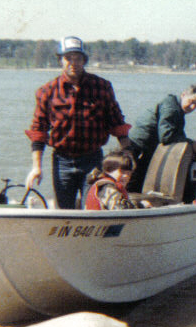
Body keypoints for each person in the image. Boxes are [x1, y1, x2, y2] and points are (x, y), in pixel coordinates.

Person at [25, 36, 131, 209]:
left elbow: (117, 123)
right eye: (68, 58)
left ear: (84, 60)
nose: (73, 63)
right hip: (62, 162)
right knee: (64, 211)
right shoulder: (47, 91)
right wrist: (36, 167)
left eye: (78, 58)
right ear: (60, 60)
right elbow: (39, 131)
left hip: (93, 160)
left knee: (94, 207)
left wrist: (128, 154)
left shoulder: (102, 87)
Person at [123, 85, 196, 192]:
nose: (192, 107)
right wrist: (191, 143)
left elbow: (177, 134)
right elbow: (166, 136)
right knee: (131, 178)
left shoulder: (177, 108)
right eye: (191, 101)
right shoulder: (171, 108)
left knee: (138, 178)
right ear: (183, 95)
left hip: (148, 146)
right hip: (138, 145)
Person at [85, 149, 150, 210]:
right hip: (102, 218)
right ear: (108, 170)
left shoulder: (110, 186)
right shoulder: (106, 186)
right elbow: (119, 208)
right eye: (122, 172)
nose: (126, 176)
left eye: (129, 173)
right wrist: (140, 205)